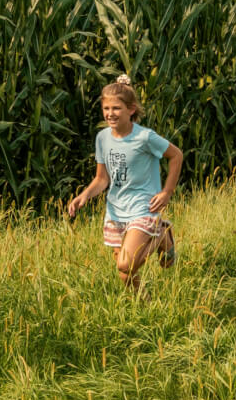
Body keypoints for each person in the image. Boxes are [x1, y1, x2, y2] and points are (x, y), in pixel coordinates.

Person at [65, 75, 184, 290]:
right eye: (106, 108)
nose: (110, 114)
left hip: (143, 207)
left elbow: (176, 155)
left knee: (126, 264)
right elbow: (102, 178)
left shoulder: (145, 137)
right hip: (116, 210)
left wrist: (167, 192)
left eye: (116, 108)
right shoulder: (102, 138)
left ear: (131, 109)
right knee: (125, 273)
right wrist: (84, 196)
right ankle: (145, 308)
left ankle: (160, 235)